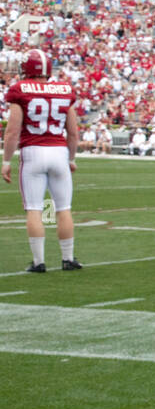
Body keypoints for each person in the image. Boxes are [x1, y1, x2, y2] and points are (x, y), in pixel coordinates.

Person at [1, 48, 82, 272]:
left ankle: (39, 262)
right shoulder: (65, 89)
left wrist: (6, 161)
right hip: (58, 151)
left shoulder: (20, 89)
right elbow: (73, 132)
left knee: (34, 209)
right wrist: (72, 158)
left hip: (33, 151)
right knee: (63, 208)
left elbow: (12, 131)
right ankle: (68, 259)